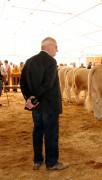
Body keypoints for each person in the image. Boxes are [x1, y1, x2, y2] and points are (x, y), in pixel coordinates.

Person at [20, 37, 69, 170]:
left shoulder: (29, 61)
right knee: (51, 134)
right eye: (56, 47)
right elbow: (47, 85)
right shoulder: (51, 62)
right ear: (49, 46)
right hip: (49, 105)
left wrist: (29, 99)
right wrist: (35, 99)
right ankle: (51, 163)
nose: (57, 50)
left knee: (37, 131)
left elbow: (22, 82)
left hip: (35, 107)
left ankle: (37, 160)